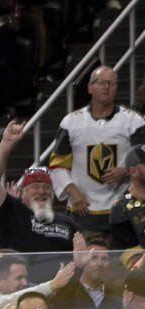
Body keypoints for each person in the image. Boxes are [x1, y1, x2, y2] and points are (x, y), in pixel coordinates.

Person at [47, 67, 145, 230]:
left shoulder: (134, 121)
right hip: (81, 210)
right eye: (101, 82)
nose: (106, 87)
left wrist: (126, 171)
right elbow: (57, 166)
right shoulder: (71, 122)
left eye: (111, 83)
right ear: (90, 87)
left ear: (116, 88)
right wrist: (71, 191)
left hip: (124, 209)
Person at [0, 123, 81, 278]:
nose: (41, 192)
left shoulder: (69, 224)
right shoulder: (12, 212)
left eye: (46, 187)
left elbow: (81, 258)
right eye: (34, 187)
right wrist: (6, 143)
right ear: (23, 192)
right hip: (19, 291)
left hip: (61, 294)